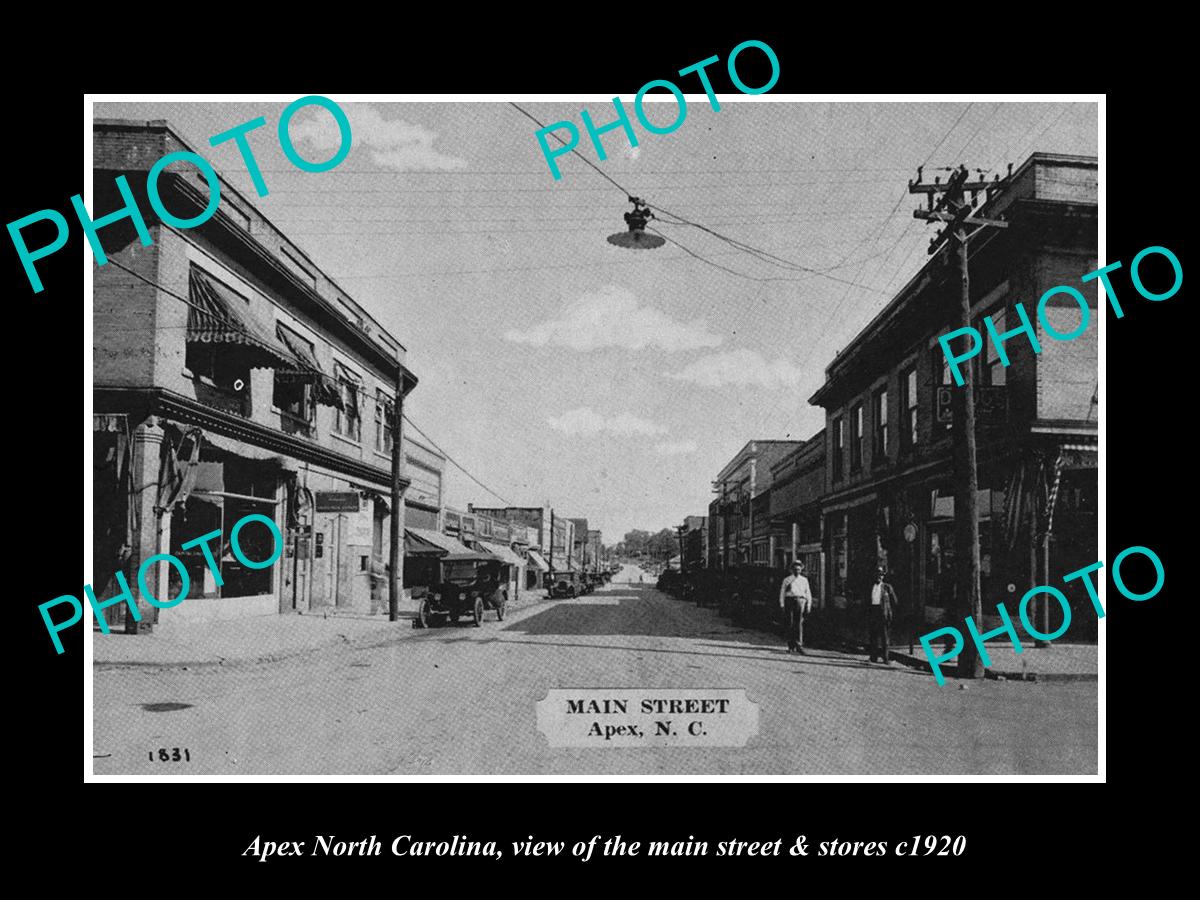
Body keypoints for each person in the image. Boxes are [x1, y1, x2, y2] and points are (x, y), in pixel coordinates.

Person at [778, 560, 813, 654]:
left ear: (801, 569)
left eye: (799, 569)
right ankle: (790, 645)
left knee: (799, 623)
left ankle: (799, 645)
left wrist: (808, 605)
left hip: (800, 601)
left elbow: (808, 592)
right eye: (795, 569)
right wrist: (782, 604)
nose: (797, 571)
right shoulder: (787, 580)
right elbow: (782, 592)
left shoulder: (804, 580)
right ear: (792, 570)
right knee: (790, 623)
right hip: (790, 600)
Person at [867, 566, 898, 664]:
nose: (879, 577)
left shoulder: (887, 587)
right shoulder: (870, 587)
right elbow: (866, 602)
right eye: (877, 575)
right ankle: (873, 657)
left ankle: (886, 658)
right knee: (873, 636)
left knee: (884, 637)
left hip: (883, 614)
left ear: (883, 577)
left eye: (880, 575)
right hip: (873, 612)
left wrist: (890, 613)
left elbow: (894, 601)